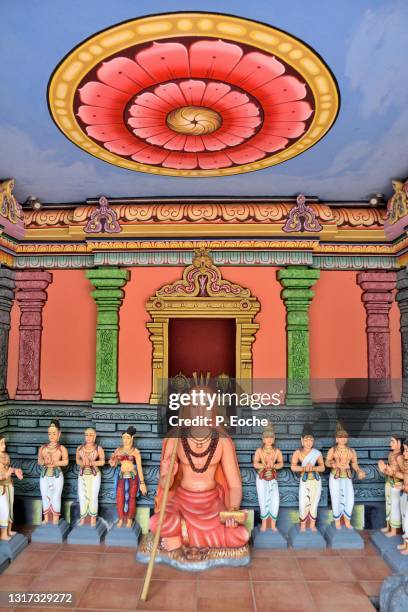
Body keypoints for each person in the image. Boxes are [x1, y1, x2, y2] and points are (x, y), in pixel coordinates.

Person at [150, 387, 249, 556]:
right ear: (188, 408)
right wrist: (168, 475)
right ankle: (183, 537)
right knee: (157, 522)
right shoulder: (176, 439)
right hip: (181, 501)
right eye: (195, 406)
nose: (201, 411)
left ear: (214, 408)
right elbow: (165, 486)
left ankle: (180, 537)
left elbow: (234, 486)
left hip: (212, 505)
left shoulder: (222, 441)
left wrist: (232, 511)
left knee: (240, 535)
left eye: (206, 405)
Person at [325, 422, 366, 529]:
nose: (343, 439)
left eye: (345, 437)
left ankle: (347, 521)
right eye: (340, 437)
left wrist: (359, 471)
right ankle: (337, 521)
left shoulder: (351, 451)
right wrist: (334, 464)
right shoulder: (332, 450)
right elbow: (327, 462)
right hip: (336, 477)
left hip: (347, 477)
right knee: (336, 498)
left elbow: (354, 464)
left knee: (350, 498)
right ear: (336, 439)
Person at [109, 426, 147, 528]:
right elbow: (115, 464)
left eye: (127, 437)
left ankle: (130, 519)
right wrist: (112, 461)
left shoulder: (135, 452)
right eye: (124, 437)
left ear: (132, 438)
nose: (125, 440)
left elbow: (139, 467)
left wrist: (142, 483)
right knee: (120, 497)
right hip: (121, 476)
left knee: (131, 498)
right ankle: (121, 518)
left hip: (133, 477)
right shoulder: (118, 450)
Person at [291, 424, 325, 532]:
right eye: (306, 440)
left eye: (311, 440)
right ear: (302, 440)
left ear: (313, 441)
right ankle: (303, 525)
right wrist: (304, 468)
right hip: (305, 480)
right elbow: (293, 467)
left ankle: (312, 525)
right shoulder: (298, 453)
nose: (308, 442)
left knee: (314, 503)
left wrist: (313, 468)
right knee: (303, 502)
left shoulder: (317, 453)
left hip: (315, 480)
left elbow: (322, 467)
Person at [253, 422, 283, 532]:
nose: (269, 439)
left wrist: (274, 466)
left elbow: (281, 463)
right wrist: (264, 465)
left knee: (275, 500)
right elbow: (255, 463)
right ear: (263, 438)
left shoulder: (277, 451)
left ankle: (273, 524)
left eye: (271, 437)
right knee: (263, 500)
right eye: (266, 437)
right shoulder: (259, 451)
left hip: (273, 478)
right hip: (262, 478)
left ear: (274, 438)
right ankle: (264, 524)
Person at [38, 419, 69, 524]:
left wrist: (55, 462)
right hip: (45, 475)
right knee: (45, 495)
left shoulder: (61, 448)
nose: (51, 436)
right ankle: (46, 519)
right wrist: (44, 461)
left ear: (59, 434)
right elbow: (39, 460)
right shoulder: (43, 448)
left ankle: (55, 519)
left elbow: (65, 462)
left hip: (56, 475)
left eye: (54, 433)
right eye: (49, 433)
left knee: (56, 497)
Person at [76, 428, 105, 526]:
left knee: (93, 496)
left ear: (95, 436)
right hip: (83, 474)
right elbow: (77, 461)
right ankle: (83, 517)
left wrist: (92, 462)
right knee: (82, 495)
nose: (88, 437)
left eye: (91, 435)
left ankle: (93, 518)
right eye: (86, 435)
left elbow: (102, 461)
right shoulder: (80, 448)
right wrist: (83, 462)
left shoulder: (98, 448)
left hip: (94, 474)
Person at [378, 434, 403, 537]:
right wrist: (384, 469)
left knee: (395, 507)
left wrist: (390, 472)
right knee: (388, 505)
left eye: (392, 441)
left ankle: (394, 530)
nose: (390, 444)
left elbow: (404, 474)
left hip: (396, 484)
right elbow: (388, 470)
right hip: (389, 483)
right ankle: (388, 527)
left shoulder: (400, 457)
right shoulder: (391, 454)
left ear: (399, 443)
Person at [0, 436, 23, 541]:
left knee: (10, 508)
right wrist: (5, 475)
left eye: (4, 443)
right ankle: (3, 534)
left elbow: (8, 469)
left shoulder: (6, 456)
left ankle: (9, 530)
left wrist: (15, 471)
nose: (4, 446)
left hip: (9, 485)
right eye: (1, 443)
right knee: (4, 509)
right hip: (1, 487)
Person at [393, 439, 408, 555]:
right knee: (404, 518)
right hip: (404, 494)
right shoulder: (406, 464)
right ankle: (406, 543)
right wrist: (392, 473)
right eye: (404, 450)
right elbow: (403, 476)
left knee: (407, 520)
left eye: (407, 451)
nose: (404, 453)